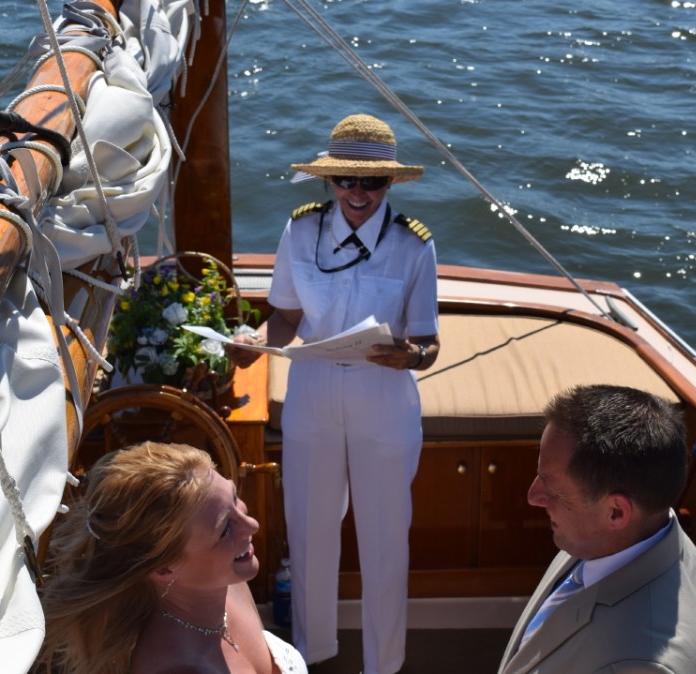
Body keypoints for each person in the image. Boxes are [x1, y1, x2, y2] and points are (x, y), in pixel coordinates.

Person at [228, 113, 439, 674]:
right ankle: (311, 655)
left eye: (373, 181)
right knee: (309, 532)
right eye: (346, 180)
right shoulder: (300, 231)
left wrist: (412, 356)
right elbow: (286, 316)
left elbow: (428, 343)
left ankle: (383, 666)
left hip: (383, 398)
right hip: (313, 393)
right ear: (329, 180)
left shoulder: (414, 245)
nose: (358, 192)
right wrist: (255, 343)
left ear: (390, 183)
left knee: (385, 542)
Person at [498, 385, 696, 674]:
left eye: (555, 491)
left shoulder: (640, 666)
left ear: (616, 512)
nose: (533, 496)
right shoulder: (630, 534)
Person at [34, 441, 306, 674]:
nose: (252, 525)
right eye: (225, 529)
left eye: (234, 499)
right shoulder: (177, 667)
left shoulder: (227, 581)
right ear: (165, 568)